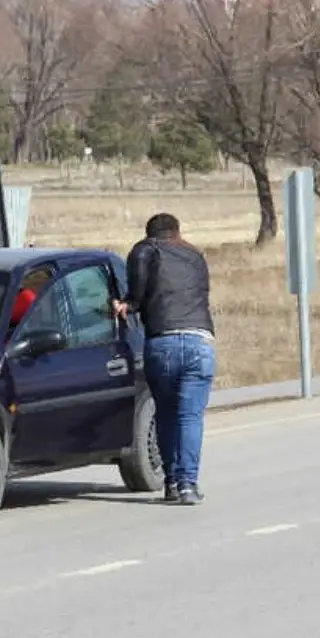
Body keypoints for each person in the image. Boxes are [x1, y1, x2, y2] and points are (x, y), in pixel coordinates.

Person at [113, 212, 216, 506]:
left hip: (163, 343)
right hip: (200, 341)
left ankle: (171, 482)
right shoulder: (195, 256)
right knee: (190, 417)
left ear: (150, 234)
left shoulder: (144, 250)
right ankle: (187, 485)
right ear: (177, 232)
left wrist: (127, 304)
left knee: (166, 414)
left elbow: (138, 295)